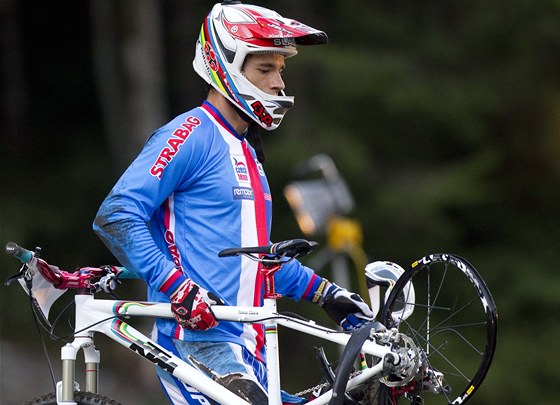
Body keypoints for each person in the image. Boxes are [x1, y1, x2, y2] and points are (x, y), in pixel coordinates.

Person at [93, 2, 374, 404]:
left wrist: (327, 293)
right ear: (225, 65)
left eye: (281, 69)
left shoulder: (247, 151)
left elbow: (249, 266)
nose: (278, 83)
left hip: (248, 347)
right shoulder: (192, 133)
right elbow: (117, 215)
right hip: (198, 343)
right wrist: (176, 287)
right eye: (265, 69)